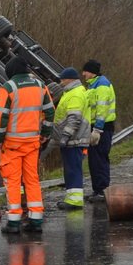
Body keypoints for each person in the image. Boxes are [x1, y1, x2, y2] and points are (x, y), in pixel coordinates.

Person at [0, 56, 55, 234]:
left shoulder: (8, 88)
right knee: (32, 180)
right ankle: (36, 221)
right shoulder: (40, 85)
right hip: (32, 143)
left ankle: (14, 222)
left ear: (11, 72)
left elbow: (0, 118)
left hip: (12, 144)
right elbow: (50, 112)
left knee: (12, 182)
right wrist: (45, 135)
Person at [53, 67, 91, 210]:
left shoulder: (74, 94)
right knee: (71, 169)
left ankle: (74, 202)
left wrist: (65, 136)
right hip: (74, 139)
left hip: (74, 139)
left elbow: (74, 118)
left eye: (62, 79)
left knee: (73, 170)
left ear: (70, 79)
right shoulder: (73, 92)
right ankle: (71, 199)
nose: (61, 81)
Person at [82, 59, 116, 202]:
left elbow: (102, 109)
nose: (83, 74)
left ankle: (102, 191)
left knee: (99, 159)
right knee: (95, 160)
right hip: (99, 127)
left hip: (102, 128)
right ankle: (98, 190)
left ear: (92, 72)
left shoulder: (101, 85)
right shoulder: (94, 84)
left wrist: (97, 130)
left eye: (85, 71)